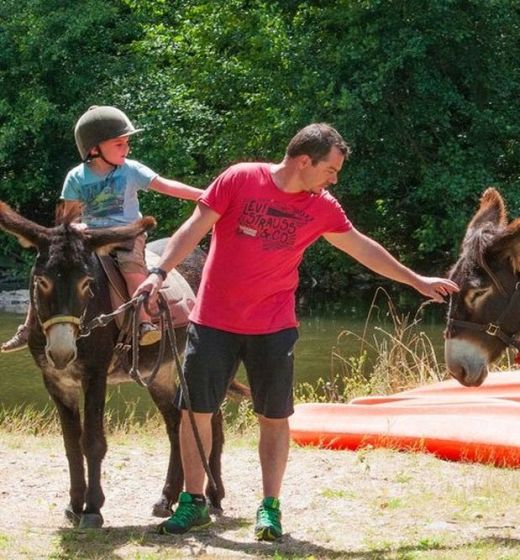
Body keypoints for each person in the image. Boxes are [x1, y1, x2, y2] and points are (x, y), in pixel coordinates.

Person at [134, 123, 459, 541]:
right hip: (213, 320)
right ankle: (193, 502)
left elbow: (363, 248)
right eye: (330, 170)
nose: (334, 180)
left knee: (274, 417)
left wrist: (415, 280)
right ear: (304, 161)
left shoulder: (322, 207)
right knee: (195, 411)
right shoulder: (239, 179)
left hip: (273, 326)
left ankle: (269, 508)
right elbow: (193, 228)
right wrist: (159, 272)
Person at [1, 106, 203, 352]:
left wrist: (204, 195)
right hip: (91, 239)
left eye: (127, 143)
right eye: (119, 144)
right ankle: (29, 327)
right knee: (47, 269)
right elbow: (69, 217)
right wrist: (75, 227)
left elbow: (165, 185)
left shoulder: (131, 169)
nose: (126, 149)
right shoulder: (76, 177)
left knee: (131, 269)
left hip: (127, 236)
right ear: (94, 148)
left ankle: (143, 322)